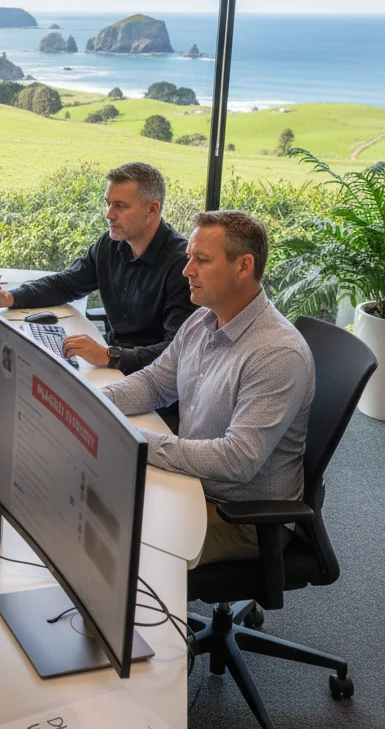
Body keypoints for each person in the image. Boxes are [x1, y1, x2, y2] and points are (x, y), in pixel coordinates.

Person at [101, 211, 315, 565]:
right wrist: (94, 402)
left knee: (121, 542)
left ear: (243, 266)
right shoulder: (203, 319)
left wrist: (137, 442)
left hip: (240, 515)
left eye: (202, 260)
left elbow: (236, 462)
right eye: (189, 258)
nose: (187, 271)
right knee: (93, 496)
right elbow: (156, 383)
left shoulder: (277, 354)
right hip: (192, 484)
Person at [0, 162, 195, 375]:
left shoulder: (183, 266)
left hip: (154, 379)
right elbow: (65, 284)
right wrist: (10, 297)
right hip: (115, 362)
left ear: (152, 209)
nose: (109, 215)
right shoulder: (110, 245)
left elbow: (177, 351)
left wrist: (110, 355)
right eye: (108, 203)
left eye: (120, 206)